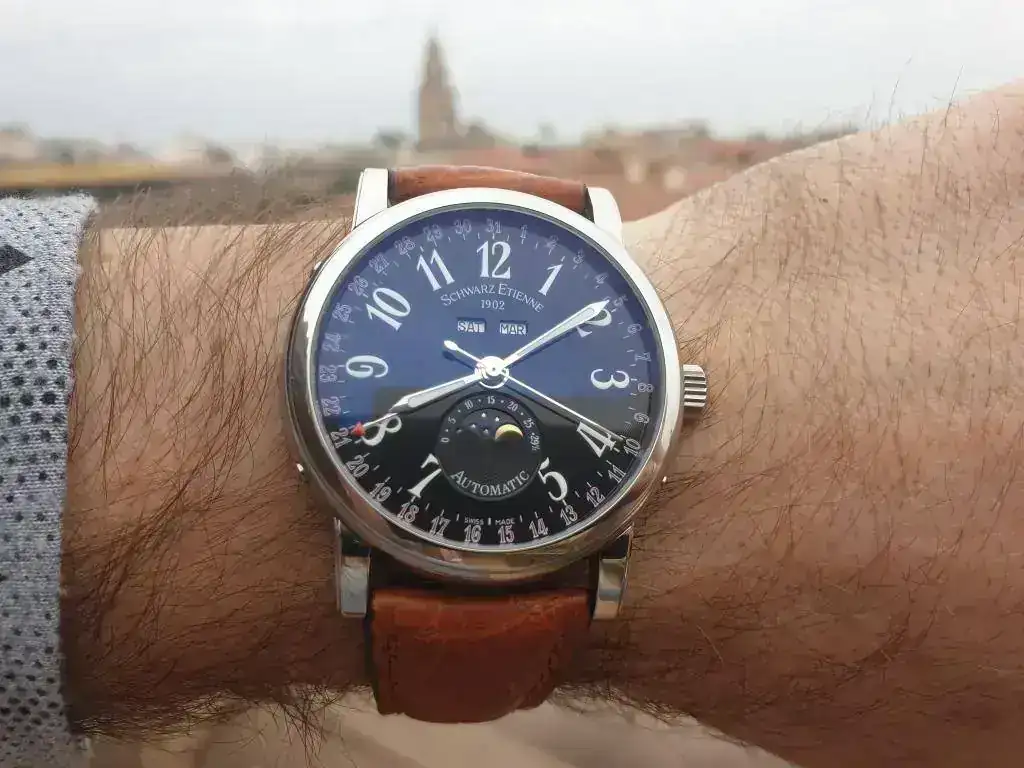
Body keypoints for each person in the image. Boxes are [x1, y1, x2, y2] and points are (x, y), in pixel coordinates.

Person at [2, 80, 1024, 768]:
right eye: (485, 365)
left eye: (505, 365)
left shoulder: (621, 401)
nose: (493, 371)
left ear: (682, 389)